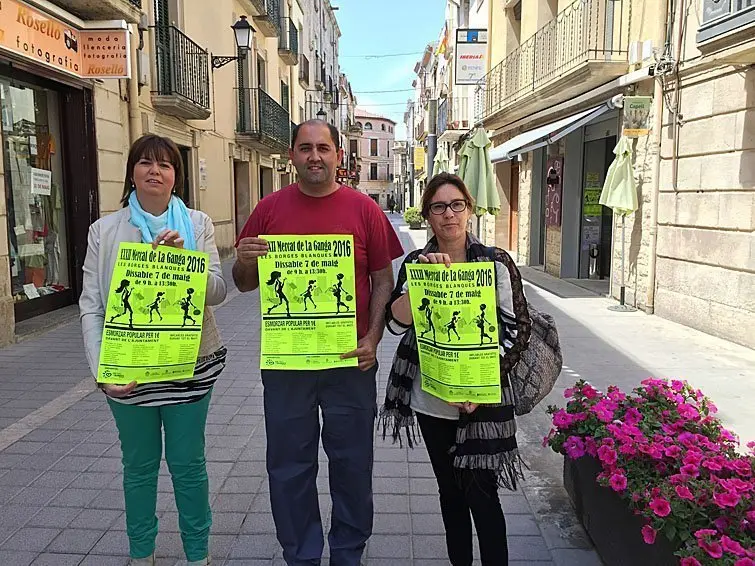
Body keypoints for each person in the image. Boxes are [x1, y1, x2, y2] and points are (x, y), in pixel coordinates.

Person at [233, 119, 404, 566]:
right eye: (305, 148)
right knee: (289, 466)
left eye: (323, 148)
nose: (315, 156)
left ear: (338, 156)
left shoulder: (364, 209)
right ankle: (301, 554)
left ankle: (348, 553)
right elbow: (244, 283)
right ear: (291, 156)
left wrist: (373, 336)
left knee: (352, 464)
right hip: (288, 364)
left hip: (350, 362)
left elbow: (383, 278)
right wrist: (245, 261)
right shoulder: (268, 209)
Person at [79, 134, 227, 566]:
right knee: (139, 466)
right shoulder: (104, 231)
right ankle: (141, 554)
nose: (155, 171)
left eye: (165, 165)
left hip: (191, 365)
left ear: (176, 177)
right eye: (145, 163)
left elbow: (217, 291)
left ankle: (197, 555)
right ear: (132, 172)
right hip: (129, 367)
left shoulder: (196, 225)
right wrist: (101, 369)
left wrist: (187, 265)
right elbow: (91, 305)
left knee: (188, 464)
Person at [380, 172, 532, 566]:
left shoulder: (496, 263)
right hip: (431, 401)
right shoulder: (416, 263)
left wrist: (480, 387)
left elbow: (519, 329)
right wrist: (422, 284)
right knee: (449, 494)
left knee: (483, 495)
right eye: (438, 207)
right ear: (428, 215)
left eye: (456, 205)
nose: (449, 214)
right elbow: (396, 323)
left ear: (469, 210)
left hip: (484, 400)